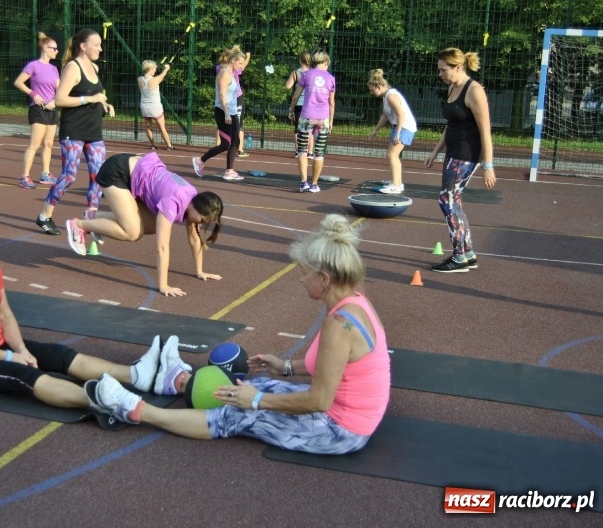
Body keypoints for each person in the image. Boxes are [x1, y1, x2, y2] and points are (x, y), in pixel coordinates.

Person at [85, 214, 391, 455]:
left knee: (236, 414)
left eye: (304, 272)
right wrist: (285, 368)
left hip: (341, 431)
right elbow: (338, 365)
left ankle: (136, 410)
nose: (300, 279)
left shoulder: (339, 325)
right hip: (351, 416)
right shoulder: (354, 301)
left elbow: (320, 400)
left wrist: (256, 401)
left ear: (324, 279)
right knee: (253, 385)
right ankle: (173, 380)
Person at [0, 201, 192, 411]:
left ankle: (141, 376)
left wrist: (20, 349)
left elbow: (5, 314)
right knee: (22, 374)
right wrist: (10, 358)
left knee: (56, 354)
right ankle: (108, 401)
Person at [66, 152, 224, 297]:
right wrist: (164, 285)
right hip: (117, 172)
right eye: (202, 220)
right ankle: (79, 226)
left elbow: (195, 238)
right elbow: (162, 247)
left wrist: (200, 271)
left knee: (150, 226)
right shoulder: (173, 203)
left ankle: (95, 218)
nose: (201, 224)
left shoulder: (193, 200)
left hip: (137, 170)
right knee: (132, 232)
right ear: (197, 207)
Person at [34, 29, 115, 237]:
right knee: (69, 176)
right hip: (74, 130)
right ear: (83, 46)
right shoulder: (73, 67)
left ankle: (91, 221)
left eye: (100, 45)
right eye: (96, 44)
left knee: (98, 177)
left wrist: (105, 103)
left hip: (93, 131)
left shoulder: (94, 67)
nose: (100, 48)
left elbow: (96, 94)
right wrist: (89, 100)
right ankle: (44, 215)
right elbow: (60, 100)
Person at [423, 48, 496, 273]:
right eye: (439, 70)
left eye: (444, 70)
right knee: (454, 201)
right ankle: (468, 254)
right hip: (452, 153)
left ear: (458, 67)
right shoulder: (452, 88)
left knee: (447, 201)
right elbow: (451, 125)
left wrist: (488, 165)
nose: (440, 74)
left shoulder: (474, 91)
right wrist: (435, 151)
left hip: (466, 154)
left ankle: (458, 257)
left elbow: (485, 131)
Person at [14, 32, 60, 189]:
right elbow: (19, 82)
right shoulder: (33, 65)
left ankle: (45, 174)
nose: (57, 51)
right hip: (38, 110)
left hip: (52, 110)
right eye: (54, 48)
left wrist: (54, 101)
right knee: (35, 144)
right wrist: (34, 94)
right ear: (46, 48)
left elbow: (59, 89)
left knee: (48, 144)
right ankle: (24, 177)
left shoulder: (54, 69)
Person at [192, 48, 247, 181]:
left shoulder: (231, 72)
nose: (241, 67)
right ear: (233, 60)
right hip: (223, 112)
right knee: (225, 144)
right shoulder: (224, 74)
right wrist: (227, 114)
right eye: (239, 63)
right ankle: (199, 160)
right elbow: (222, 95)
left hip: (232, 111)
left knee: (236, 141)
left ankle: (229, 171)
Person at [289, 51, 336, 193]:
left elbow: (296, 95)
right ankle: (314, 184)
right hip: (323, 119)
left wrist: (291, 109)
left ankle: (304, 182)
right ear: (326, 62)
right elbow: (331, 102)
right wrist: (331, 120)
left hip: (306, 116)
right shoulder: (331, 78)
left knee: (302, 150)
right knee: (319, 152)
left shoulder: (306, 75)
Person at [367, 69, 418, 194]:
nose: (371, 92)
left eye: (372, 90)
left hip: (405, 126)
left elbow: (401, 114)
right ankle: (398, 184)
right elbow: (384, 116)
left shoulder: (391, 96)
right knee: (392, 154)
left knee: (392, 154)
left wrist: (398, 133)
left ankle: (396, 185)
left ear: (378, 86)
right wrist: (375, 130)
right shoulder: (386, 97)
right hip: (399, 126)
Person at [138, 60, 174, 151]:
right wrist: (167, 68)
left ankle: (153, 145)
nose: (155, 70)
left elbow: (156, 76)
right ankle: (169, 145)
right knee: (162, 128)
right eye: (154, 69)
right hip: (155, 107)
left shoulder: (139, 79)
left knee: (148, 127)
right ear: (150, 69)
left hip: (144, 107)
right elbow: (163, 75)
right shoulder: (155, 79)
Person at [285, 52, 314, 158]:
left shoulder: (296, 73)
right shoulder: (313, 74)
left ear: (300, 60)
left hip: (299, 104)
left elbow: (288, 86)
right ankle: (310, 152)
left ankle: (299, 151)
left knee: (298, 128)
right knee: (310, 129)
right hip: (311, 104)